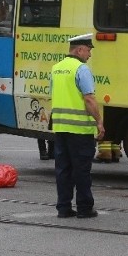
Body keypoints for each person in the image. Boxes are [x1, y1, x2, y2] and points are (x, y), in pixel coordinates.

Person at [49, 34, 105, 219]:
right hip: (80, 130)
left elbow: (54, 95)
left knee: (63, 169)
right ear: (79, 50)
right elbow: (89, 98)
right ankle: (84, 208)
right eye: (88, 50)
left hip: (61, 128)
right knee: (81, 170)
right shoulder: (81, 69)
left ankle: (63, 208)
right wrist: (99, 122)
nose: (89, 55)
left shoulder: (56, 69)